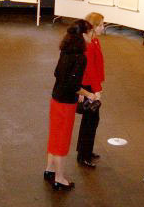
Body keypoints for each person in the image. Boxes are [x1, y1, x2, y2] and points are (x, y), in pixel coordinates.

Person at [45, 20, 96, 191]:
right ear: (83, 35)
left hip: (56, 99)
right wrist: (88, 94)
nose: (93, 35)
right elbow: (73, 85)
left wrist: (77, 90)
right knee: (62, 141)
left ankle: (49, 170)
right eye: (91, 32)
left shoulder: (65, 50)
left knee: (54, 136)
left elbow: (57, 73)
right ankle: (59, 179)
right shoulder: (80, 57)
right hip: (66, 104)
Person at [76, 12, 106, 168]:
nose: (103, 27)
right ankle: (83, 155)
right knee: (89, 122)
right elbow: (89, 69)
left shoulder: (95, 41)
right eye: (100, 25)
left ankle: (86, 151)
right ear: (93, 27)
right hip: (89, 86)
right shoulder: (88, 44)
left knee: (92, 121)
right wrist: (96, 90)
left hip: (92, 85)